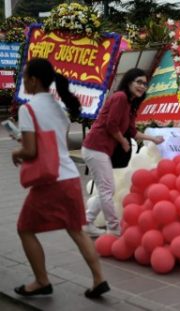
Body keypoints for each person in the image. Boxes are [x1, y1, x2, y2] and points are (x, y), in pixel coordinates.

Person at [11, 58, 110, 298]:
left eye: (25, 77)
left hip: (51, 181)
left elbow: (32, 150)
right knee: (76, 229)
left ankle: (41, 280)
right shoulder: (60, 108)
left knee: (24, 228)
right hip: (70, 177)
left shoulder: (28, 109)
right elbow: (56, 144)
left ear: (34, 80)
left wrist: (18, 150)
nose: (24, 82)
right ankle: (99, 279)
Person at [82, 68, 164, 237]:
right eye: (138, 82)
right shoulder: (120, 97)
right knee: (107, 190)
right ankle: (114, 228)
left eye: (145, 84)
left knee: (106, 189)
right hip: (95, 147)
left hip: (102, 150)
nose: (142, 86)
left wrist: (153, 139)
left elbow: (131, 130)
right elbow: (111, 125)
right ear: (128, 82)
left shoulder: (130, 103)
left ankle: (88, 222)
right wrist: (123, 141)